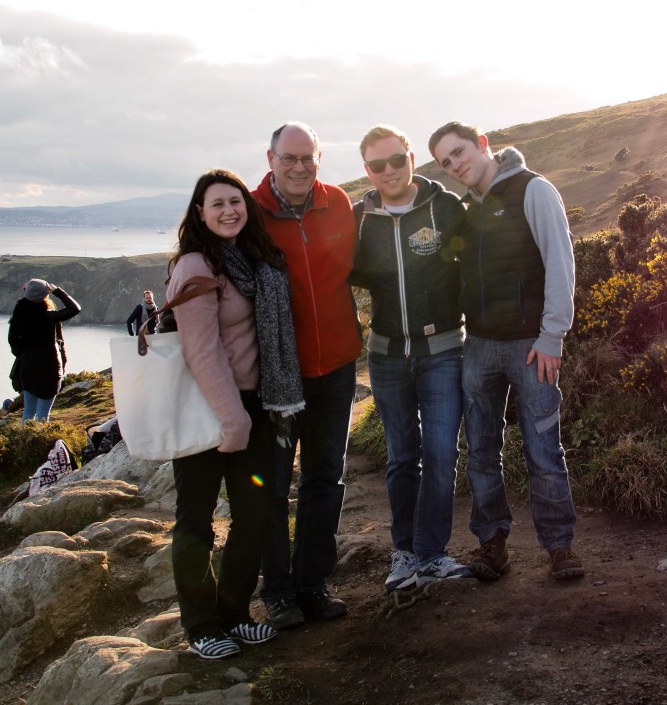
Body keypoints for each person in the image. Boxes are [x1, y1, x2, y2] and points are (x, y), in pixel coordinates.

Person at [428, 121, 585, 581]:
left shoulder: (532, 190)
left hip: (530, 346)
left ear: (482, 144)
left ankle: (560, 547)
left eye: (459, 152)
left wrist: (553, 334)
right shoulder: (463, 209)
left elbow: (561, 260)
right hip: (476, 346)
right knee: (480, 450)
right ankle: (492, 544)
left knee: (543, 449)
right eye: (445, 162)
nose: (456, 165)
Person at [166, 168, 305, 660]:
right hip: (210, 410)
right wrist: (233, 419)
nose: (229, 211)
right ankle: (201, 624)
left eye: (236, 201)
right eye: (217, 204)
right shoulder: (196, 267)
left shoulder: (251, 260)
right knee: (196, 523)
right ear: (199, 213)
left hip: (255, 405)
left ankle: (235, 614)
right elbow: (201, 351)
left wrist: (252, 413)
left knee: (254, 516)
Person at [350, 125, 473, 592]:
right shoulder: (361, 218)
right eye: (377, 165)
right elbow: (341, 271)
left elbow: (476, 262)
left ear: (411, 159)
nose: (389, 171)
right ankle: (404, 554)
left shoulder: (444, 207)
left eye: (397, 160)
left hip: (442, 349)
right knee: (403, 457)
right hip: (385, 357)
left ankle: (433, 553)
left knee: (441, 454)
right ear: (367, 170)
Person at [251, 122, 362, 628]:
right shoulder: (248, 213)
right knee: (271, 486)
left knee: (325, 479)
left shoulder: (337, 202)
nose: (299, 167)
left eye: (308, 158)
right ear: (271, 157)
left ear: (320, 158)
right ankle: (276, 591)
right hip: (276, 377)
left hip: (336, 368)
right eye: (289, 158)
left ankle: (312, 583)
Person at [8, 279, 81, 425]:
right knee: (43, 414)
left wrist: (25, 351)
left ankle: (25, 443)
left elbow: (13, 342)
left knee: (28, 412)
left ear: (26, 293)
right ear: (45, 295)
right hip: (50, 369)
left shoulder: (18, 316)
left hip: (29, 368)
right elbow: (74, 308)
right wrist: (57, 292)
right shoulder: (49, 317)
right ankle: (40, 443)